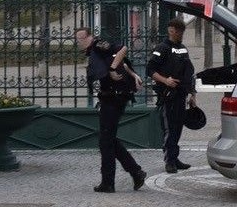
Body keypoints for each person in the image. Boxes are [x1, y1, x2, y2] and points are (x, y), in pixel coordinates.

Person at [75, 26, 148, 192]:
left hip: (114, 97)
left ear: (89, 37)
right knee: (108, 139)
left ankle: (109, 182)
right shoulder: (94, 51)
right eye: (77, 39)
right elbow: (118, 59)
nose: (78, 42)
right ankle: (135, 172)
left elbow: (122, 49)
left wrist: (112, 69)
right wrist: (130, 73)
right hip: (111, 97)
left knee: (106, 141)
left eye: (81, 38)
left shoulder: (99, 45)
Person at [147, 17, 196, 173]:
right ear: (171, 30)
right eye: (178, 31)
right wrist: (165, 81)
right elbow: (150, 70)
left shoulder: (182, 48)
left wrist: (192, 95)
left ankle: (174, 157)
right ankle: (169, 161)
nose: (180, 34)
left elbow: (189, 73)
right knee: (170, 129)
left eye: (182, 31)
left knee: (178, 128)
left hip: (181, 94)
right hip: (168, 95)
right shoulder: (162, 48)